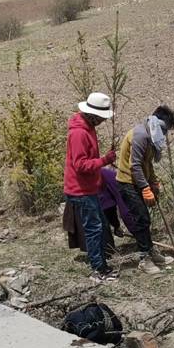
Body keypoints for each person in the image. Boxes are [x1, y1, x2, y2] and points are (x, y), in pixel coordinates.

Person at [115, 105, 174, 274]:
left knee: (145, 219)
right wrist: (145, 188)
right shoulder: (141, 136)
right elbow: (135, 166)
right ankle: (144, 259)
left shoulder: (151, 137)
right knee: (142, 219)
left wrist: (154, 182)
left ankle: (151, 251)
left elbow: (147, 164)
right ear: (158, 123)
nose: (164, 135)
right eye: (165, 130)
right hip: (127, 183)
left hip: (138, 182)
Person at [65, 92, 119, 282]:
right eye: (101, 118)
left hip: (89, 188)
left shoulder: (88, 127)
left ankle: (101, 264)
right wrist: (104, 160)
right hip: (81, 190)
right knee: (94, 229)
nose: (103, 121)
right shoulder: (79, 133)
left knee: (98, 226)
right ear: (93, 115)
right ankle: (98, 270)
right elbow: (80, 165)